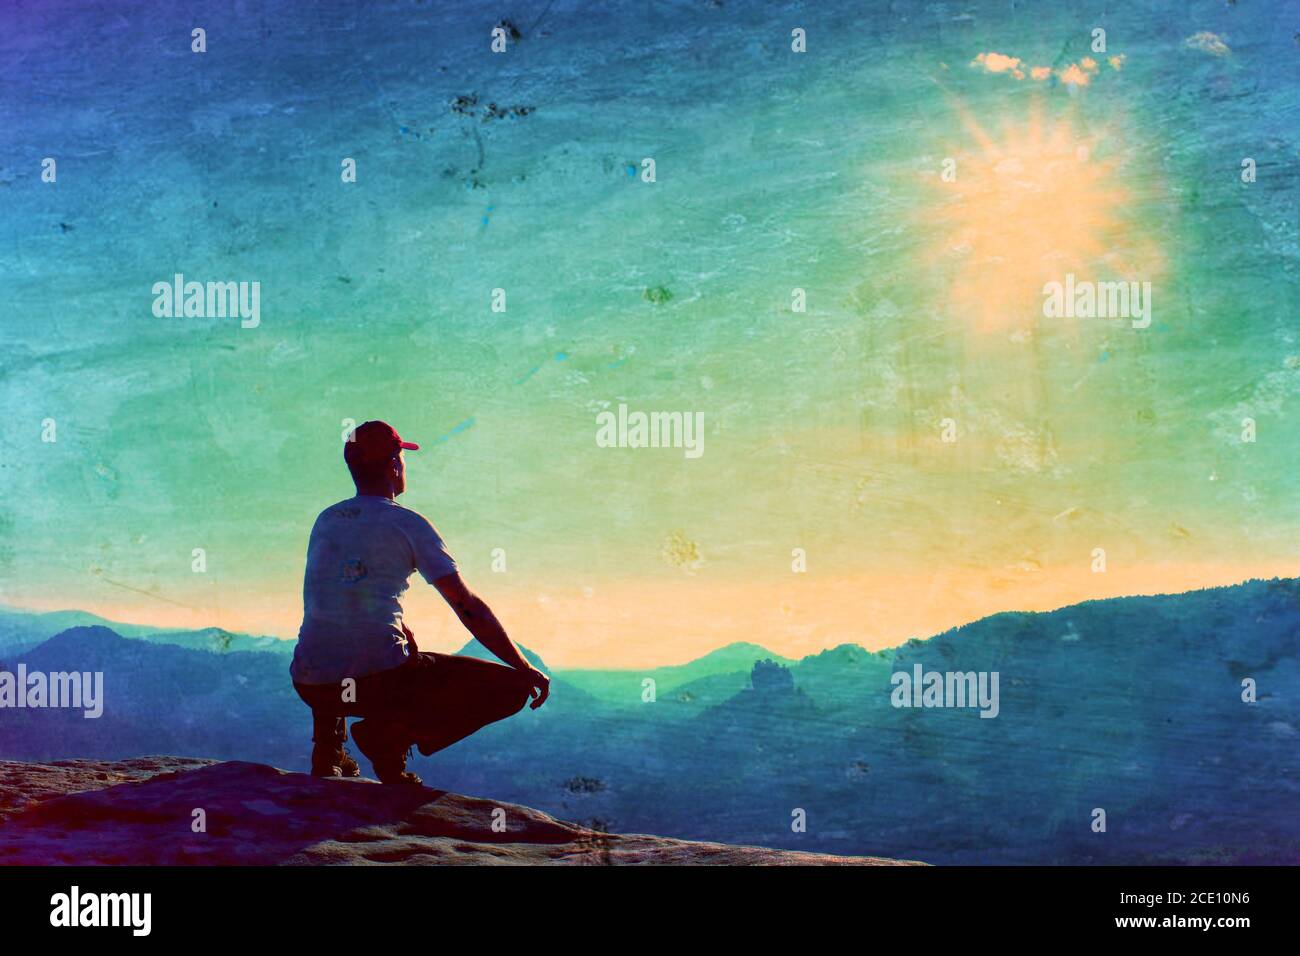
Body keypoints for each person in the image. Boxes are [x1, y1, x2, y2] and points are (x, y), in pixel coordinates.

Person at [290, 420, 549, 784]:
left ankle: (328, 748)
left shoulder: (327, 519)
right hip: (377, 684)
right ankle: (389, 737)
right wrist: (523, 667)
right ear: (395, 464)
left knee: (342, 635)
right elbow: (466, 605)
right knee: (510, 689)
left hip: (311, 684)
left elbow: (336, 598)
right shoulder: (408, 524)